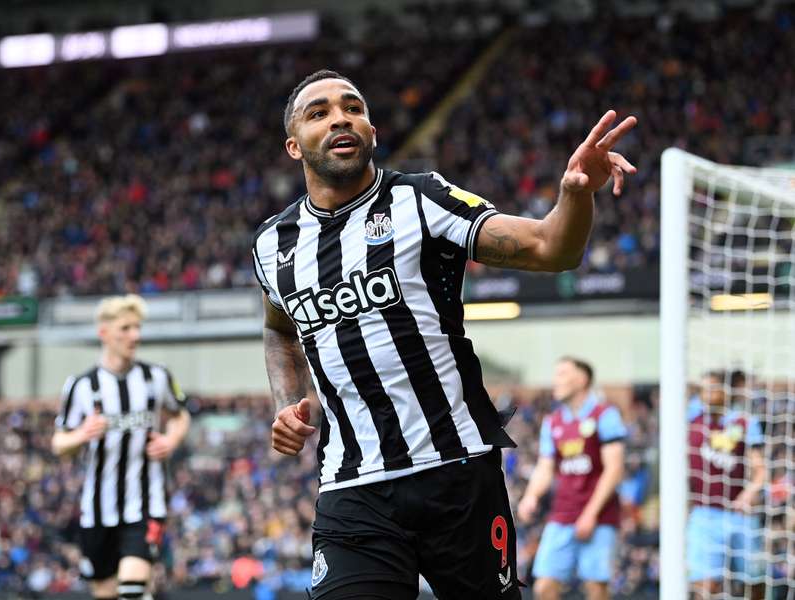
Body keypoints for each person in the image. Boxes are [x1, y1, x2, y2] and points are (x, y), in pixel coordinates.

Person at [251, 69, 637, 600]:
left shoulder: (420, 199)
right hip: (352, 487)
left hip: (457, 477)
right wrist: (289, 402)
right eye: (319, 112)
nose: (341, 117)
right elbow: (279, 331)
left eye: (353, 107)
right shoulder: (274, 244)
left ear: (372, 131)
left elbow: (552, 249)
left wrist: (574, 193)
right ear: (294, 146)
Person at [51, 294, 191, 600]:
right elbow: (59, 443)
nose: (135, 336)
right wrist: (81, 435)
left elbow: (181, 416)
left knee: (131, 588)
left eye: (137, 328)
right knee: (105, 592)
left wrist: (171, 440)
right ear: (104, 333)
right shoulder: (81, 386)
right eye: (125, 328)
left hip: (145, 505)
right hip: (97, 510)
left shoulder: (156, 377)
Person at [517, 357, 627, 599]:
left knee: (595, 587)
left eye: (562, 374)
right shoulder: (552, 421)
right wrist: (531, 496)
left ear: (582, 379)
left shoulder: (604, 415)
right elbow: (545, 467)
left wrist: (590, 513)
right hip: (562, 514)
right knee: (544, 585)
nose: (555, 380)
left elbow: (614, 469)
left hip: (599, 516)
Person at [687, 370, 766, 599]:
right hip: (704, 513)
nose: (706, 394)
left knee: (754, 581)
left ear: (725, 391)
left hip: (739, 514)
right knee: (705, 584)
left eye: (712, 388)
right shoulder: (693, 417)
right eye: (703, 389)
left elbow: (760, 470)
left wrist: (748, 494)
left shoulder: (744, 422)